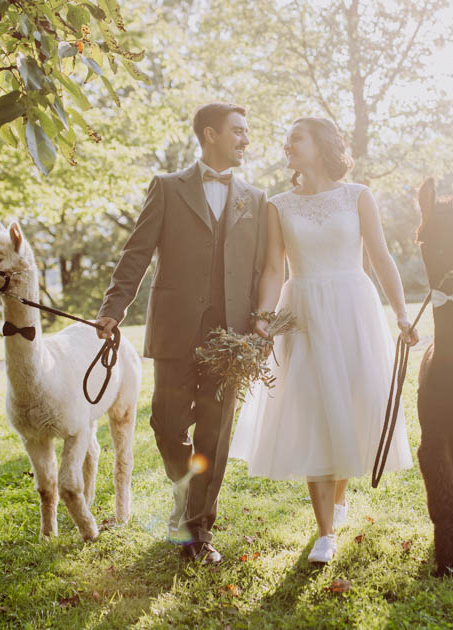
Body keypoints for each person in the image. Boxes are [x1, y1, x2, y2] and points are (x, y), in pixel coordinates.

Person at [229, 117, 418, 564]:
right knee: (314, 406)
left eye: (296, 137)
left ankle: (339, 499)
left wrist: (402, 314)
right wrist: (263, 321)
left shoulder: (359, 196)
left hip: (353, 307)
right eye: (288, 138)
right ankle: (325, 533)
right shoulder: (279, 205)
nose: (287, 144)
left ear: (321, 145)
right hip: (303, 311)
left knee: (347, 402)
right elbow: (275, 269)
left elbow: (381, 256)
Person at [95, 103, 267, 564]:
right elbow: (137, 253)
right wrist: (114, 308)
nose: (246, 140)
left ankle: (198, 531)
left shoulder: (256, 199)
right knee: (167, 424)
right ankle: (186, 495)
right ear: (210, 134)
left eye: (247, 132)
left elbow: (262, 271)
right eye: (238, 132)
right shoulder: (168, 189)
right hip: (175, 329)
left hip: (232, 335)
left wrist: (261, 323)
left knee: (215, 433)